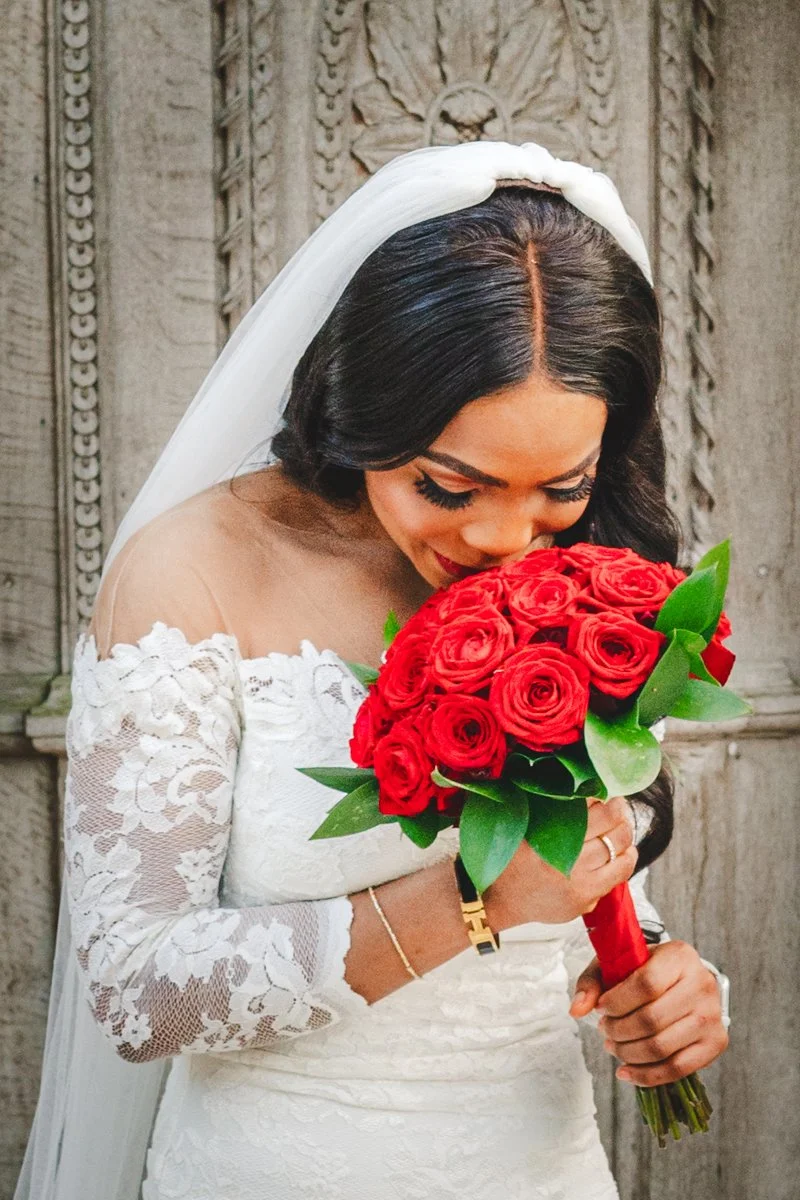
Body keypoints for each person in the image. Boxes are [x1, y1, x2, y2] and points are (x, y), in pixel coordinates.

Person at [16, 141, 729, 1200]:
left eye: (558, 486)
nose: (504, 538)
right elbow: (135, 992)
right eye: (449, 485)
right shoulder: (195, 569)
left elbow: (586, 858)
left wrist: (663, 974)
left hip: (544, 1167)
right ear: (363, 417)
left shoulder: (594, 574)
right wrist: (469, 900)